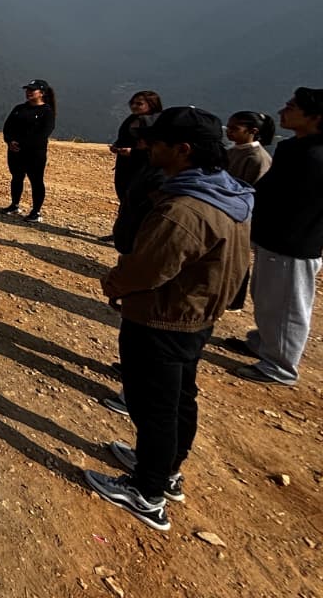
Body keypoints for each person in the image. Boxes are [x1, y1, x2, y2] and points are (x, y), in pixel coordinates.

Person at [84, 107, 252, 532]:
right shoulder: (228, 193)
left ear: (182, 149)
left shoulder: (184, 210)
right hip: (196, 315)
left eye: (156, 142)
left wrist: (114, 284)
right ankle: (166, 470)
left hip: (163, 317)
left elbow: (147, 268)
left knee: (152, 405)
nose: (147, 146)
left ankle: (147, 492)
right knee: (179, 397)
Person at [228, 87, 323, 385]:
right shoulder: (295, 147)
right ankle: (263, 343)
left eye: (292, 107)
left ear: (316, 117)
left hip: (294, 241)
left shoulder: (317, 157)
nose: (283, 111)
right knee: (266, 297)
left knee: (286, 306)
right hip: (272, 235)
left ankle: (280, 367)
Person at [222, 110, 276, 311]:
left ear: (252, 131)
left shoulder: (258, 158)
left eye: (235, 128)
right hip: (226, 210)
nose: (229, 131)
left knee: (237, 258)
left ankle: (234, 299)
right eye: (229, 127)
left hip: (240, 215)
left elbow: (254, 191)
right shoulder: (234, 150)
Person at [0, 79, 57, 223]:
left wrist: (23, 144)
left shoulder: (47, 112)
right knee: (16, 177)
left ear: (42, 93)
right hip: (15, 151)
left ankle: (36, 211)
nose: (28, 92)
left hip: (35, 154)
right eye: (27, 90)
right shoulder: (19, 108)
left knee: (36, 181)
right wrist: (9, 141)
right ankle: (14, 205)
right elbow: (7, 127)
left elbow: (44, 133)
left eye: (32, 90)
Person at [109, 92, 163, 203]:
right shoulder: (132, 119)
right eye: (133, 103)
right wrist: (117, 145)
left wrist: (133, 152)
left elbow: (157, 149)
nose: (134, 106)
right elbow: (125, 137)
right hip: (125, 164)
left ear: (152, 104)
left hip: (142, 167)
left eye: (139, 104)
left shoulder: (154, 123)